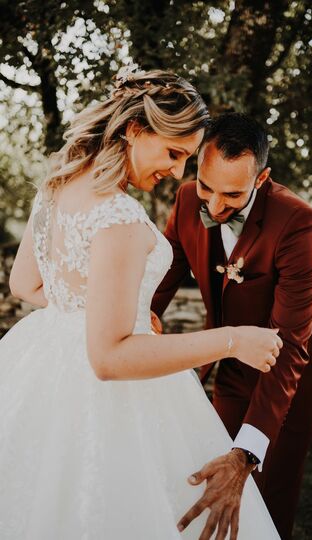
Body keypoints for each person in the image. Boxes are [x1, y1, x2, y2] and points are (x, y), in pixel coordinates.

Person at [0, 70, 282, 540]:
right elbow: (109, 358)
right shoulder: (121, 218)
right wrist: (231, 340)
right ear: (134, 129)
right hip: (109, 400)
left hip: (42, 368)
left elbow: (25, 283)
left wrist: (110, 308)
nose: (177, 173)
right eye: (173, 154)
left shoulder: (58, 184)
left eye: (186, 159)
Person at [152, 112, 312, 540]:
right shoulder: (188, 199)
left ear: (261, 180)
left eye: (232, 194)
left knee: (267, 494)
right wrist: (143, 314)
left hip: (293, 375)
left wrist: (246, 454)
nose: (214, 206)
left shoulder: (298, 221)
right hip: (231, 363)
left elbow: (292, 344)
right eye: (206, 186)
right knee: (210, 471)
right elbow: (167, 271)